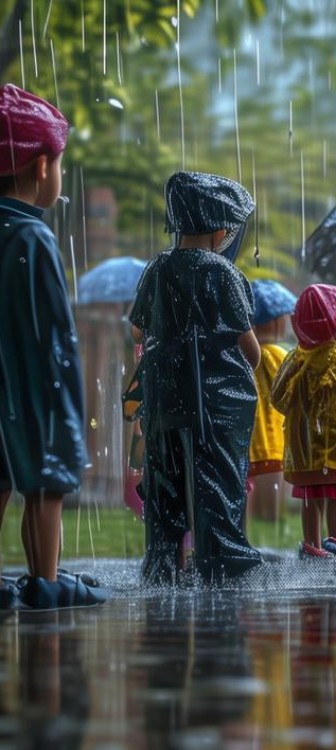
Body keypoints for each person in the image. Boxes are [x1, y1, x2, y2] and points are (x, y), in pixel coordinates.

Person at [129, 171, 266, 585]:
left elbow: (138, 331)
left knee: (165, 488)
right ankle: (222, 564)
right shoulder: (221, 273)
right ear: (222, 228)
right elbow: (250, 348)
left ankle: (163, 565)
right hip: (216, 407)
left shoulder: (157, 268)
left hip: (165, 402)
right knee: (215, 487)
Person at [0, 85, 106, 608]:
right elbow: (52, 329)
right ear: (42, 167)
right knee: (45, 488)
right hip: (32, 388)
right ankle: (46, 579)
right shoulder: (33, 238)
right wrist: (64, 392)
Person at [271, 284, 336, 559]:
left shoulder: (294, 360)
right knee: (335, 499)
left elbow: (277, 397)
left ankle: (312, 546)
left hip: (304, 448)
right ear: (335, 325)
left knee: (310, 497)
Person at [247, 280, 297, 522]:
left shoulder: (244, 353)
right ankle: (272, 519)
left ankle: (253, 523)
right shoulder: (279, 354)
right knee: (273, 485)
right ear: (277, 322)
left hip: (250, 432)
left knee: (247, 485)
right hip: (274, 432)